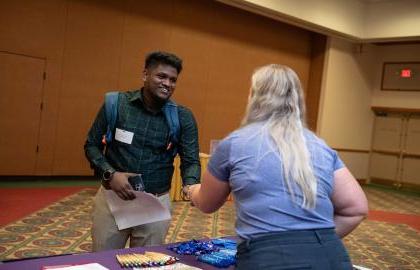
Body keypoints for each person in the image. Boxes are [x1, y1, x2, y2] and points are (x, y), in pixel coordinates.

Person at [189, 64, 368, 269]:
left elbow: (207, 203)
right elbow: (356, 209)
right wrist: (306, 242)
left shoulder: (235, 143)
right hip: (330, 255)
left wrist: (191, 190)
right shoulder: (320, 145)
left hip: (268, 257)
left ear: (254, 98)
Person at [84, 51, 201, 251]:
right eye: (161, 76)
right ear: (145, 75)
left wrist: (190, 185)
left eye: (173, 80)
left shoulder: (183, 117)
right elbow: (91, 145)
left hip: (155, 206)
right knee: (102, 261)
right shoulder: (116, 104)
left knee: (147, 264)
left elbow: (190, 160)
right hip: (113, 200)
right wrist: (110, 174)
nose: (168, 83)